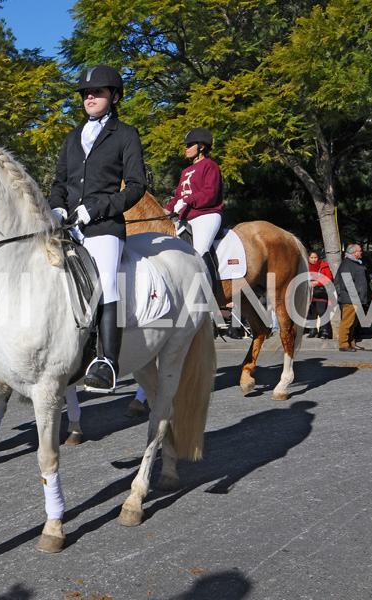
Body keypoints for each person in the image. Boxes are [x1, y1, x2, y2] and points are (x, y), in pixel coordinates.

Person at [49, 64, 148, 391]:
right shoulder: (72, 136)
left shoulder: (125, 134)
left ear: (115, 96)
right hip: (68, 227)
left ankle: (108, 362)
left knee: (105, 281)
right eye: (86, 93)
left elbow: (135, 186)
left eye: (98, 92)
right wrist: (57, 205)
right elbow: (59, 181)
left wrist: (96, 209)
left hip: (104, 227)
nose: (90, 97)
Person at [163, 127, 224, 284]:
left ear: (201, 147)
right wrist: (167, 209)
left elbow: (209, 194)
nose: (186, 148)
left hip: (207, 215)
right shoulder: (186, 171)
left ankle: (211, 291)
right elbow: (178, 197)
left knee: (200, 251)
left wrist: (187, 200)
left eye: (190, 145)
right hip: (185, 218)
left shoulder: (210, 166)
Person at [334, 243, 370, 352]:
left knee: (353, 323)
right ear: (354, 252)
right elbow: (347, 283)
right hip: (351, 298)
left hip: (357, 298)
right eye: (359, 251)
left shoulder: (356, 264)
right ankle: (343, 343)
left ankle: (351, 342)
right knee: (347, 322)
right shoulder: (347, 264)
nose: (361, 252)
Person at [306, 250, 333, 339]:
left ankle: (325, 331)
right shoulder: (305, 267)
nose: (313, 260)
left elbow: (328, 278)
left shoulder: (324, 266)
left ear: (318, 258)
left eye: (315, 258)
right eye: (311, 258)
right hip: (308, 292)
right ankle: (313, 330)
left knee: (322, 311)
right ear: (308, 258)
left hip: (320, 292)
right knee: (311, 312)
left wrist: (318, 282)